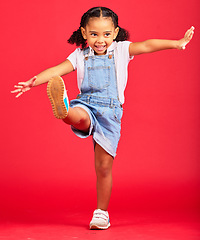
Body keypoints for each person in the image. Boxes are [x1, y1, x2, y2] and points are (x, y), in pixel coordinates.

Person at [11, 6, 194, 230]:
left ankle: (101, 213)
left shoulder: (121, 50)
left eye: (106, 34)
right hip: (86, 104)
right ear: (84, 33)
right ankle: (65, 110)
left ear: (115, 33)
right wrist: (34, 81)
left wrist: (176, 43)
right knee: (80, 117)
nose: (100, 40)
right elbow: (58, 69)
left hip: (110, 113)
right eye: (94, 34)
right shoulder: (79, 56)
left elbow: (147, 45)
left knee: (104, 167)